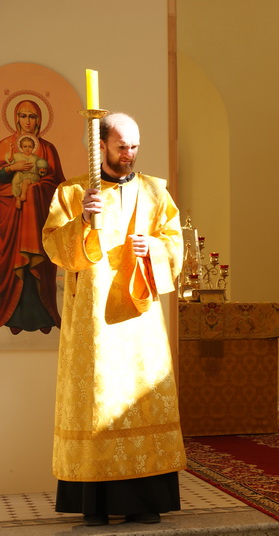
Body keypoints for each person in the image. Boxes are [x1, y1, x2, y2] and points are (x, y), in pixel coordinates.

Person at [42, 112, 184, 526]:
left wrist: (152, 249)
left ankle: (145, 502)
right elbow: (54, 247)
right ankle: (96, 504)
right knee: (98, 404)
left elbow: (175, 247)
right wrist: (84, 221)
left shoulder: (156, 192)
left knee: (141, 403)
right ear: (100, 145)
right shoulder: (73, 193)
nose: (129, 154)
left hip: (140, 326)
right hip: (94, 325)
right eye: (121, 146)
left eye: (135, 146)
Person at [0, 99, 64, 334]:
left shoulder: (47, 148)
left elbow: (57, 183)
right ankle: (11, 317)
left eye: (32, 116)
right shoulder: (4, 146)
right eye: (23, 116)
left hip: (37, 215)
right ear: (16, 118)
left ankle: (44, 317)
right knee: (12, 263)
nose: (28, 121)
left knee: (40, 265)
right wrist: (11, 169)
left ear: (39, 120)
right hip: (10, 214)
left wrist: (38, 189)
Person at [10, 135, 41, 208]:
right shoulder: (17, 156)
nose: (27, 149)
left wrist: (41, 169)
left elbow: (40, 167)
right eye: (25, 146)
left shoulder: (36, 157)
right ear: (21, 147)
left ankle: (23, 195)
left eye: (30, 147)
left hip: (32, 175)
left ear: (33, 148)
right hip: (20, 174)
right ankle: (17, 198)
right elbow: (10, 160)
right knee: (15, 181)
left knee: (26, 181)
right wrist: (11, 150)